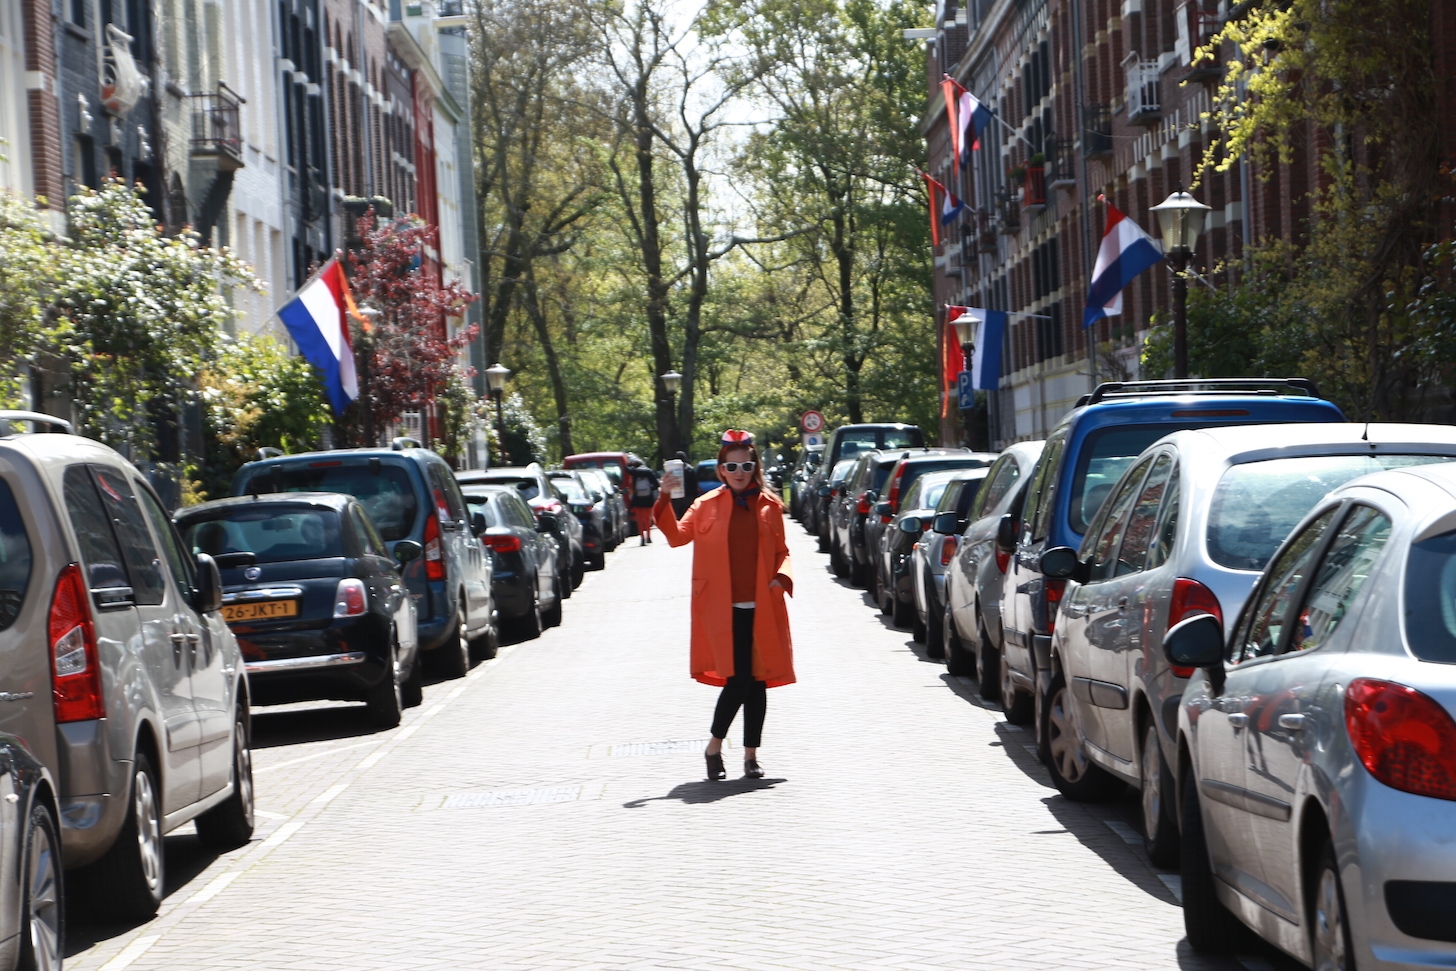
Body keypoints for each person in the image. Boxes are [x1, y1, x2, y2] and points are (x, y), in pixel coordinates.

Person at [656, 429, 794, 781]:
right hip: (722, 608)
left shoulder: (769, 506)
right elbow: (675, 538)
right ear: (720, 470)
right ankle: (714, 746)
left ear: (755, 466)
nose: (739, 473)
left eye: (746, 466)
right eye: (731, 467)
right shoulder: (704, 506)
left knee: (758, 681)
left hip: (762, 604)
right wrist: (662, 500)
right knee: (738, 679)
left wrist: (781, 577)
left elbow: (783, 552)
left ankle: (751, 756)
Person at [627, 458, 660, 545]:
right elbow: (656, 484)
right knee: (647, 518)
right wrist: (649, 489)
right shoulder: (649, 472)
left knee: (639, 519)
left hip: (637, 499)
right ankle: (648, 537)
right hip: (648, 498)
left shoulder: (634, 473)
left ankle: (642, 538)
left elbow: (626, 469)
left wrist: (629, 464)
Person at [670, 450, 698, 518]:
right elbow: (694, 483)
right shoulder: (690, 469)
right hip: (689, 495)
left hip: (677, 495)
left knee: (678, 515)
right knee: (688, 514)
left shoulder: (673, 469)